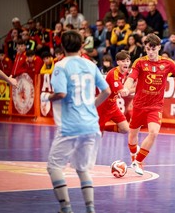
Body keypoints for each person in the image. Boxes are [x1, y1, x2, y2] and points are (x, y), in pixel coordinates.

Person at [43, 30, 110, 213]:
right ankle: (90, 208)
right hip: (91, 125)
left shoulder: (61, 66)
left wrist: (46, 97)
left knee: (54, 166)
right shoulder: (90, 65)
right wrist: (91, 105)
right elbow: (107, 91)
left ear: (62, 46)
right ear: (82, 46)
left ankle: (66, 208)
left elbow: (61, 94)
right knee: (82, 168)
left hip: (70, 126)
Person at [119, 33, 175, 175]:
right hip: (139, 105)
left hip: (155, 106)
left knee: (154, 132)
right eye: (148, 49)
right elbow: (131, 78)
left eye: (153, 49)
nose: (150, 52)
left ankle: (138, 161)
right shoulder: (139, 62)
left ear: (159, 47)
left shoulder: (167, 63)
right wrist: (126, 88)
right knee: (132, 135)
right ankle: (134, 155)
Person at [97, 51, 131, 133]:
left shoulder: (126, 72)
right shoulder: (113, 74)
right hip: (103, 106)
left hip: (113, 106)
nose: (126, 63)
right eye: (123, 61)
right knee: (98, 135)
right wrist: (139, 89)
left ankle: (103, 128)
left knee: (125, 129)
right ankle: (97, 128)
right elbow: (123, 92)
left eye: (127, 61)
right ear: (118, 62)